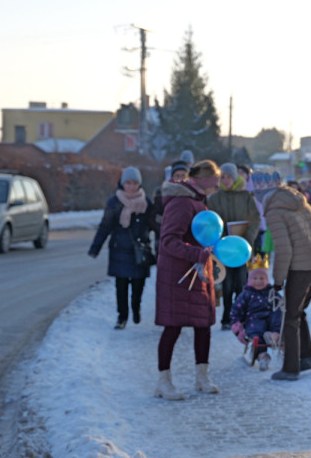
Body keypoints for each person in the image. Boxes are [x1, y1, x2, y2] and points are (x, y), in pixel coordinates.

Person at [153, 159, 223, 400]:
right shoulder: (182, 202)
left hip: (197, 272)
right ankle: (164, 382)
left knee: (203, 325)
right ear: (203, 179)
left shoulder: (198, 201)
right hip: (178, 275)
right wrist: (198, 253)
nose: (218, 185)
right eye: (215, 180)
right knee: (173, 327)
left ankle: (202, 377)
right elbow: (168, 240)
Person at [263, 170, 311, 381]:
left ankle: (291, 368)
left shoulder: (275, 211)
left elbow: (284, 250)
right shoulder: (301, 202)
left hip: (300, 268)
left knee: (290, 317)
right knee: (298, 312)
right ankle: (306, 357)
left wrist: (278, 281)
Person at [88, 166, 160, 329]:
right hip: (119, 249)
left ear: (139, 184)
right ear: (122, 183)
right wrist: (95, 248)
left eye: (135, 183)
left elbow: (154, 224)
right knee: (121, 286)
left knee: (138, 285)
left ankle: (136, 308)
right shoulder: (114, 202)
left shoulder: (146, 202)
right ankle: (122, 317)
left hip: (140, 250)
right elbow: (105, 226)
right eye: (128, 183)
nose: (131, 186)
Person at [207, 162, 262, 330]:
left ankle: (241, 317)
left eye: (229, 176)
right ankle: (226, 317)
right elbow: (212, 222)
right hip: (224, 248)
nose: (226, 180)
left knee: (241, 283)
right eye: (223, 177)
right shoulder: (215, 198)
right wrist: (220, 240)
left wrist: (248, 239)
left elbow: (255, 219)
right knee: (226, 284)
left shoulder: (246, 197)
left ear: (235, 178)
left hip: (241, 248)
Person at [230, 266, 283, 371]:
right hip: (254, 319)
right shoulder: (246, 294)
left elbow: (280, 303)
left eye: (262, 278)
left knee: (278, 314)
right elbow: (236, 309)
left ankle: (274, 335)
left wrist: (281, 305)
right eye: (255, 278)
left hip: (270, 319)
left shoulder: (271, 292)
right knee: (257, 329)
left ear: (267, 280)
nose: (258, 281)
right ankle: (262, 355)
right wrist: (237, 325)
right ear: (250, 280)